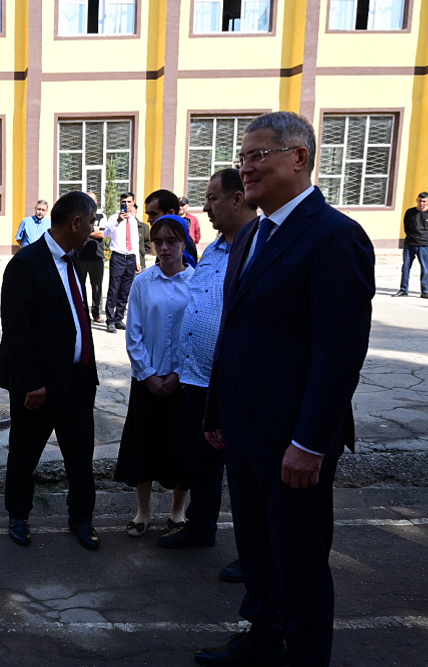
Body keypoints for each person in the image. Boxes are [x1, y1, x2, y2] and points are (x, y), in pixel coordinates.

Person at [194, 111, 375, 667]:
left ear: (299, 157)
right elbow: (237, 329)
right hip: (245, 432)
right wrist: (217, 411)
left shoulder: (335, 236)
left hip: (293, 442)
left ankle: (305, 655)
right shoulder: (251, 234)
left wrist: (311, 442)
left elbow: (338, 354)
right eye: (242, 157)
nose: (245, 168)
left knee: (298, 559)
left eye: (258, 156)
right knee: (256, 549)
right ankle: (263, 634)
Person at [157, 170, 255, 574]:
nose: (205, 207)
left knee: (246, 472)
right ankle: (201, 527)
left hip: (238, 382)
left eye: (212, 198)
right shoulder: (213, 252)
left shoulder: (259, 248)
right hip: (197, 378)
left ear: (236, 199)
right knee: (200, 461)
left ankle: (254, 558)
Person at [0, 191, 100, 550]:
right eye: (91, 221)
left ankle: (81, 518)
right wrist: (32, 383)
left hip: (78, 379)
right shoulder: (25, 264)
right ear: (75, 223)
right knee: (25, 452)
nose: (93, 228)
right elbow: (16, 331)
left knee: (81, 454)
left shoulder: (77, 259)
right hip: (38, 386)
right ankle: (19, 515)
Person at [115, 216, 194, 538]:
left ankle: (178, 511)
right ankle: (142, 512)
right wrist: (148, 374)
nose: (164, 248)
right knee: (144, 447)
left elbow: (198, 334)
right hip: (147, 381)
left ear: (184, 243)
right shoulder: (143, 282)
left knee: (180, 448)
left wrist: (179, 374)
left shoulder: (197, 281)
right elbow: (133, 332)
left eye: (172, 241)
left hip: (185, 382)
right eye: (158, 241)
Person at [102, 192, 141, 334]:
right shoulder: (114, 218)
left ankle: (119, 319)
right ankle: (110, 321)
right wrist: (118, 221)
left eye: (129, 202)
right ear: (120, 203)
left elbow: (135, 242)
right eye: (124, 202)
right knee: (114, 289)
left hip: (130, 258)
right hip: (118, 257)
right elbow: (106, 234)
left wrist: (137, 260)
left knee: (125, 290)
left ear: (133, 202)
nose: (126, 204)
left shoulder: (134, 220)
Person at [394, 191, 428, 299]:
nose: (421, 203)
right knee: (406, 267)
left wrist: (426, 238)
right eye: (419, 201)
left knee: (425, 268)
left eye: (424, 201)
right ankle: (403, 289)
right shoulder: (410, 212)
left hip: (424, 244)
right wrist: (411, 237)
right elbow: (406, 227)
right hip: (410, 243)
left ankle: (424, 291)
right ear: (416, 200)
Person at [76, 191, 108, 323]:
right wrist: (93, 231)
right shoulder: (79, 215)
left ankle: (96, 313)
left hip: (97, 257)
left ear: (96, 201)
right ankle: (80, 312)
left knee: (97, 288)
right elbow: (77, 231)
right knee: (79, 286)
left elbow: (103, 234)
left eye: (92, 199)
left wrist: (86, 231)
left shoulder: (101, 216)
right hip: (80, 256)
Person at [146, 189, 198, 268]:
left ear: (170, 213)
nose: (149, 219)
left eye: (154, 214)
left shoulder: (183, 243)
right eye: (158, 243)